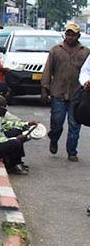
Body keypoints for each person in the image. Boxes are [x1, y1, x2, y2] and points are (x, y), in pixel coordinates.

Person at [41, 22, 90, 162]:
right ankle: (54, 138)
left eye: (73, 34)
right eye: (68, 34)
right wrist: (45, 89)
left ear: (78, 36)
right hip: (58, 92)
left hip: (77, 94)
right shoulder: (56, 50)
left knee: (75, 124)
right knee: (57, 122)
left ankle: (72, 151)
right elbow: (47, 70)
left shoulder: (85, 52)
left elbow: (87, 71)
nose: (70, 37)